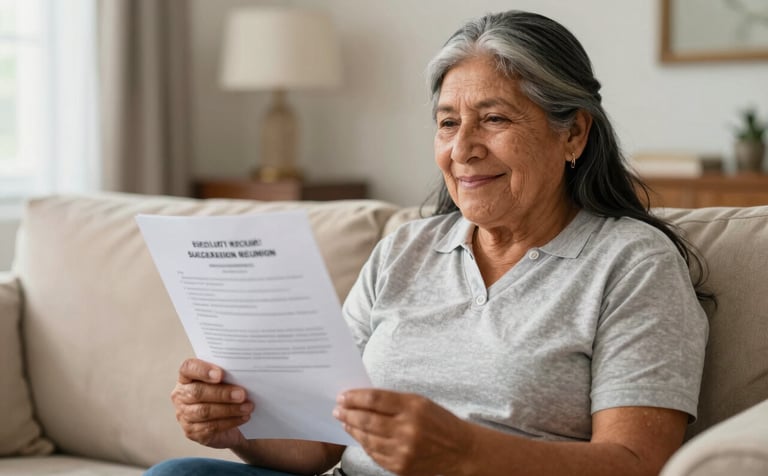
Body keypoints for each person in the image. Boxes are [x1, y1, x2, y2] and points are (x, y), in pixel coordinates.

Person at [146, 10, 710, 476]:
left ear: (574, 133)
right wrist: (237, 426)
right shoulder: (403, 250)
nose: (462, 149)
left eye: (494, 119)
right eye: (446, 123)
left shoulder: (633, 263)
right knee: (179, 474)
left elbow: (635, 464)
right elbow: (322, 446)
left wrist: (466, 453)